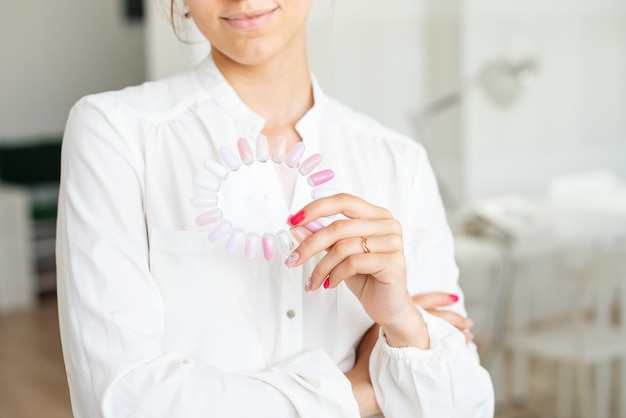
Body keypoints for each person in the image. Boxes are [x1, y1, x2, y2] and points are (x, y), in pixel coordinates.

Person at [56, 0, 494, 417]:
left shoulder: (398, 161)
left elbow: (464, 407)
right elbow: (121, 400)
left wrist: (401, 322)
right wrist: (361, 391)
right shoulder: (115, 133)